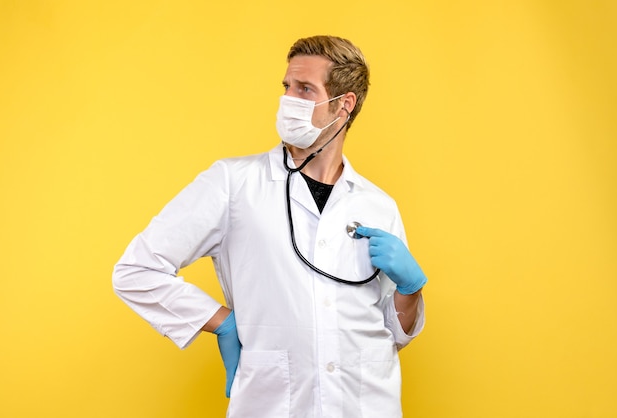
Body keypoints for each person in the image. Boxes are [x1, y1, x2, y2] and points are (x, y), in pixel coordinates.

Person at [113, 35, 427, 417]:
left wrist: (410, 290)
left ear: (344, 105)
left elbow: (395, 334)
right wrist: (222, 323)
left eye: (305, 89)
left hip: (365, 405)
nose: (288, 100)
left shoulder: (378, 205)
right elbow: (136, 270)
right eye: (286, 87)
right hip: (274, 404)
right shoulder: (233, 183)